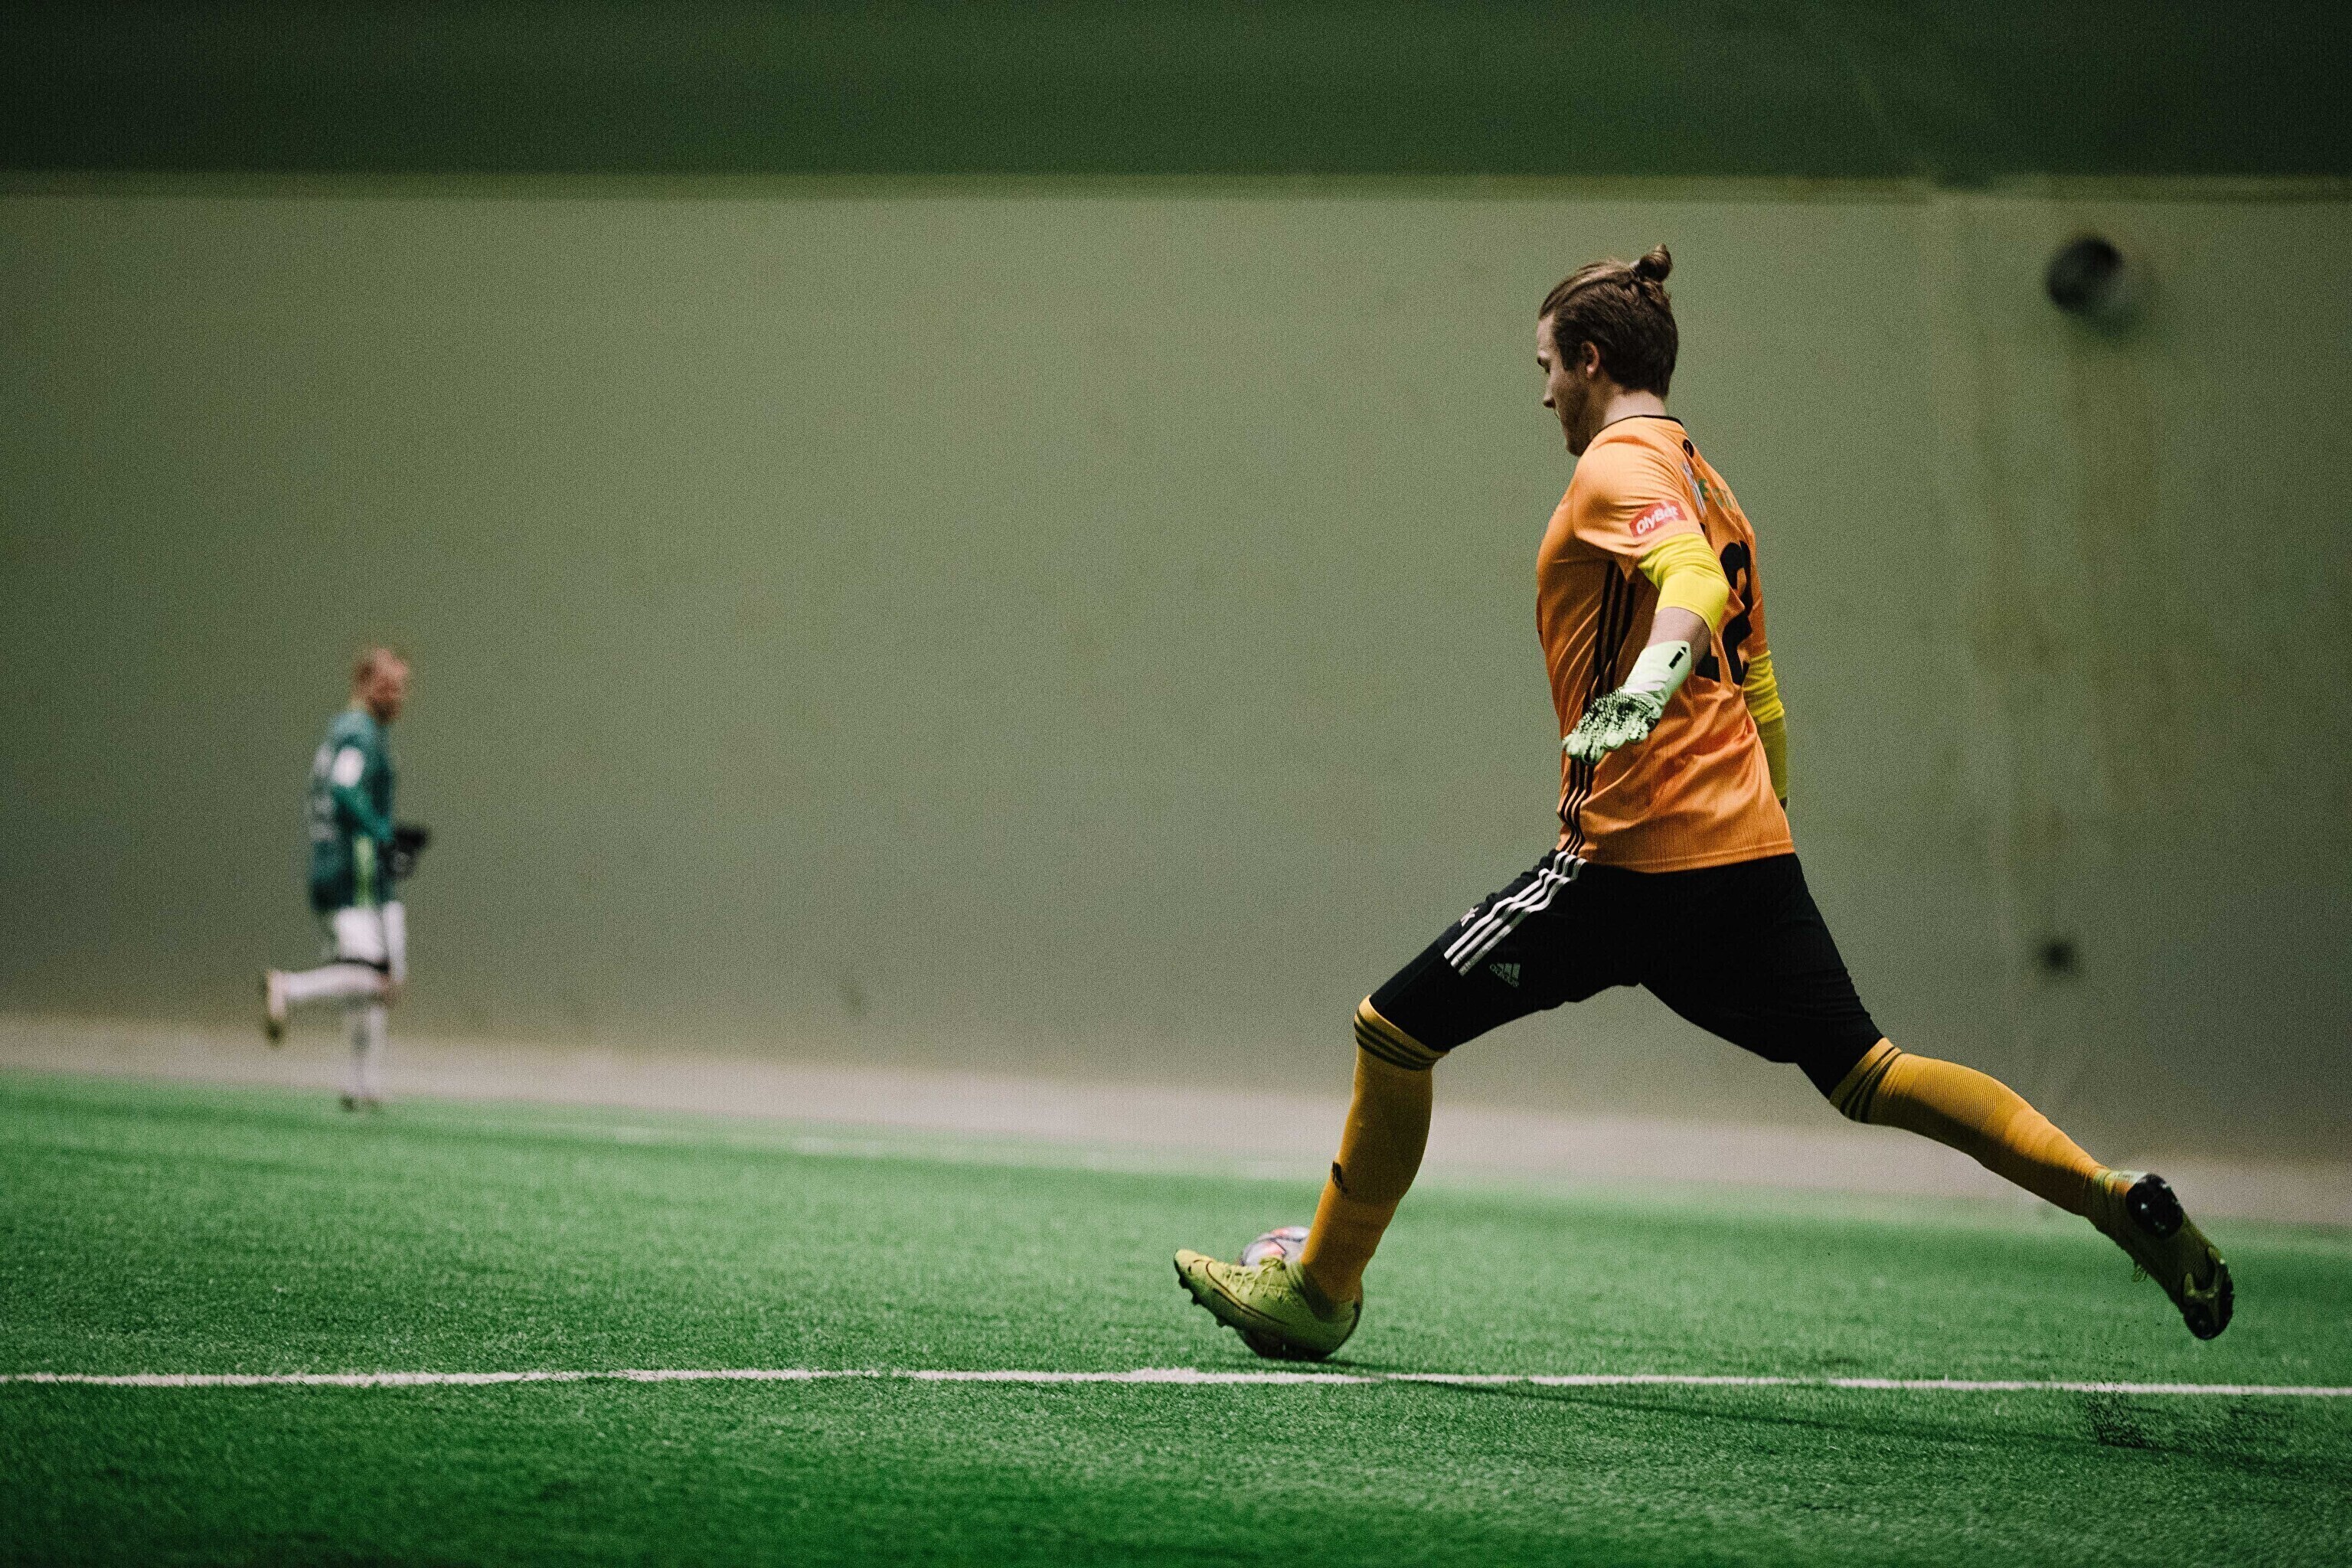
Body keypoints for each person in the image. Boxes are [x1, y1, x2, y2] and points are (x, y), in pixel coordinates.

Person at [1175, 247, 2230, 1357]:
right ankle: (2110, 1194)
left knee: (1392, 1031)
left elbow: (1690, 584)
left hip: (1624, 860)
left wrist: (1643, 692)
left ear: (1590, 361)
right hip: (1746, 857)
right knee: (1870, 1072)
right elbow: (1761, 692)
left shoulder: (1618, 470)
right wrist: (1760, 847)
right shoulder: (1713, 485)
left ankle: (1320, 1290)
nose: (1543, 393)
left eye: (1546, 367)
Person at [260, 648, 418, 1112]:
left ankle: (360, 1083)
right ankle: (289, 988)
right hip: (353, 870)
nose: (398, 697)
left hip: (344, 867)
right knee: (375, 975)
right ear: (365, 685)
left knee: (373, 981)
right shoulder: (358, 732)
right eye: (389, 686)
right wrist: (382, 833)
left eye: (403, 687)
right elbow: (345, 789)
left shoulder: (352, 732)